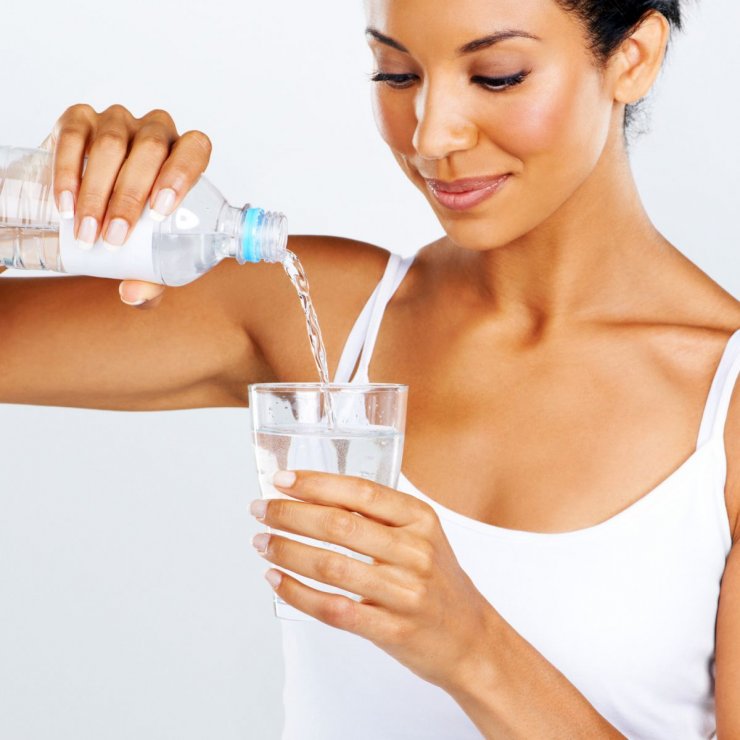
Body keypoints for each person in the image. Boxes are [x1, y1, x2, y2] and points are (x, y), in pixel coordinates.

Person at [1, 0, 738, 737]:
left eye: (497, 76)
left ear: (633, 57)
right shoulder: (330, 315)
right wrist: (29, 198)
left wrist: (472, 648)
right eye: (397, 74)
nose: (431, 134)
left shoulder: (725, 406)